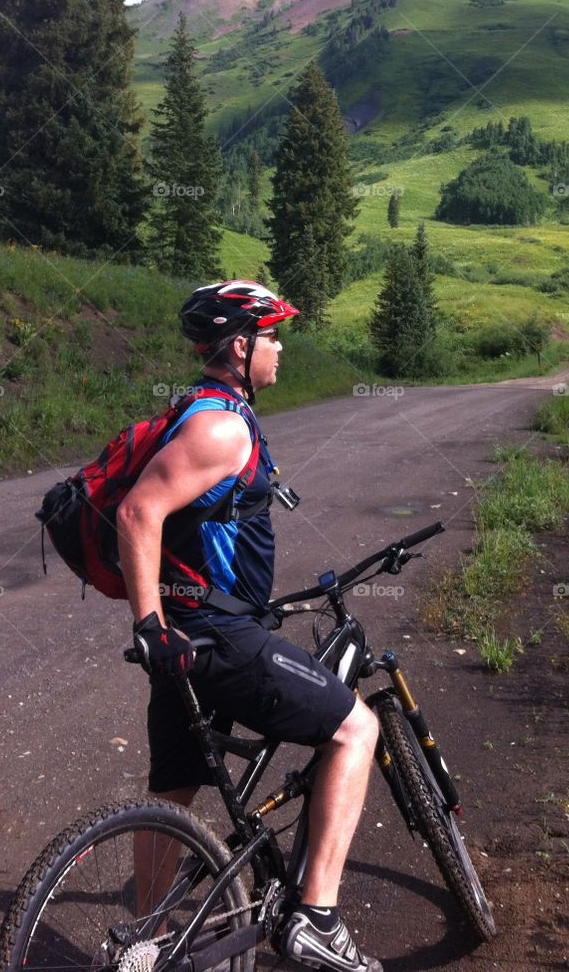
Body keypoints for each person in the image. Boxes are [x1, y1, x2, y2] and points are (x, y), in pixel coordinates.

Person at [116, 280, 383, 972]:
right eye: (271, 337)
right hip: (216, 640)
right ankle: (317, 919)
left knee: (173, 791)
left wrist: (160, 629)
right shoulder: (222, 425)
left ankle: (145, 944)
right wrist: (147, 622)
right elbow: (138, 513)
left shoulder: (201, 411)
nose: (280, 348)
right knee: (356, 727)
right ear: (240, 346)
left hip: (186, 638)